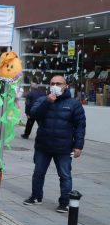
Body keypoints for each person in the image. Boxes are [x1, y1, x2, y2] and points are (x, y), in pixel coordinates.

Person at [23, 75, 85, 213]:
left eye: (59, 83)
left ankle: (64, 202)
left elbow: (80, 126)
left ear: (65, 86)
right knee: (38, 172)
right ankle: (36, 196)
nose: (55, 85)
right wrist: (47, 101)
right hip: (43, 145)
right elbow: (33, 114)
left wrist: (78, 146)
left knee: (65, 175)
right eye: (52, 83)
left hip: (63, 147)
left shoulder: (74, 104)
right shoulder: (42, 100)